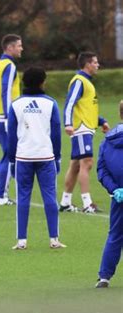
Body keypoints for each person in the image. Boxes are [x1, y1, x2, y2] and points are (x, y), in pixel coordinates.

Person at [7, 67, 65, 250]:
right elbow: (56, 133)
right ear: (42, 82)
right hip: (45, 156)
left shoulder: (16, 104)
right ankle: (54, 239)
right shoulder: (51, 103)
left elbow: (11, 136)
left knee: (23, 197)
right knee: (49, 196)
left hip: (23, 157)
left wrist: (11, 160)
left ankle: (21, 241)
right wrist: (57, 156)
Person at [59, 52, 110, 213]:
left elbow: (87, 106)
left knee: (75, 165)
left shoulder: (86, 82)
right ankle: (87, 204)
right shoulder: (79, 81)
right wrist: (67, 123)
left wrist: (101, 121)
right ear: (87, 64)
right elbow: (69, 103)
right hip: (81, 128)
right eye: (95, 62)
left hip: (86, 127)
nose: (97, 65)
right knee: (87, 163)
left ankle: (65, 202)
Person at [0, 34, 23, 206]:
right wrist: (10, 117)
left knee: (8, 152)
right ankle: (2, 196)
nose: (21, 49)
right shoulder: (9, 66)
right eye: (19, 46)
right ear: (10, 47)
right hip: (5, 116)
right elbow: (5, 91)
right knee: (12, 155)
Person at [95, 101, 123, 288]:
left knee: (115, 235)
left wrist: (114, 189)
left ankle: (104, 276)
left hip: (119, 197)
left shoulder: (107, 141)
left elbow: (102, 170)